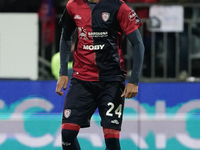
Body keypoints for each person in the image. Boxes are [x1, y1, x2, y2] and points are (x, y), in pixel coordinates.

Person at [55, 0, 145, 149]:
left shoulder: (119, 7)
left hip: (111, 81)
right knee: (67, 134)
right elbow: (65, 37)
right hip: (81, 80)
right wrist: (63, 73)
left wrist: (134, 80)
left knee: (111, 140)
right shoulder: (72, 5)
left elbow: (137, 43)